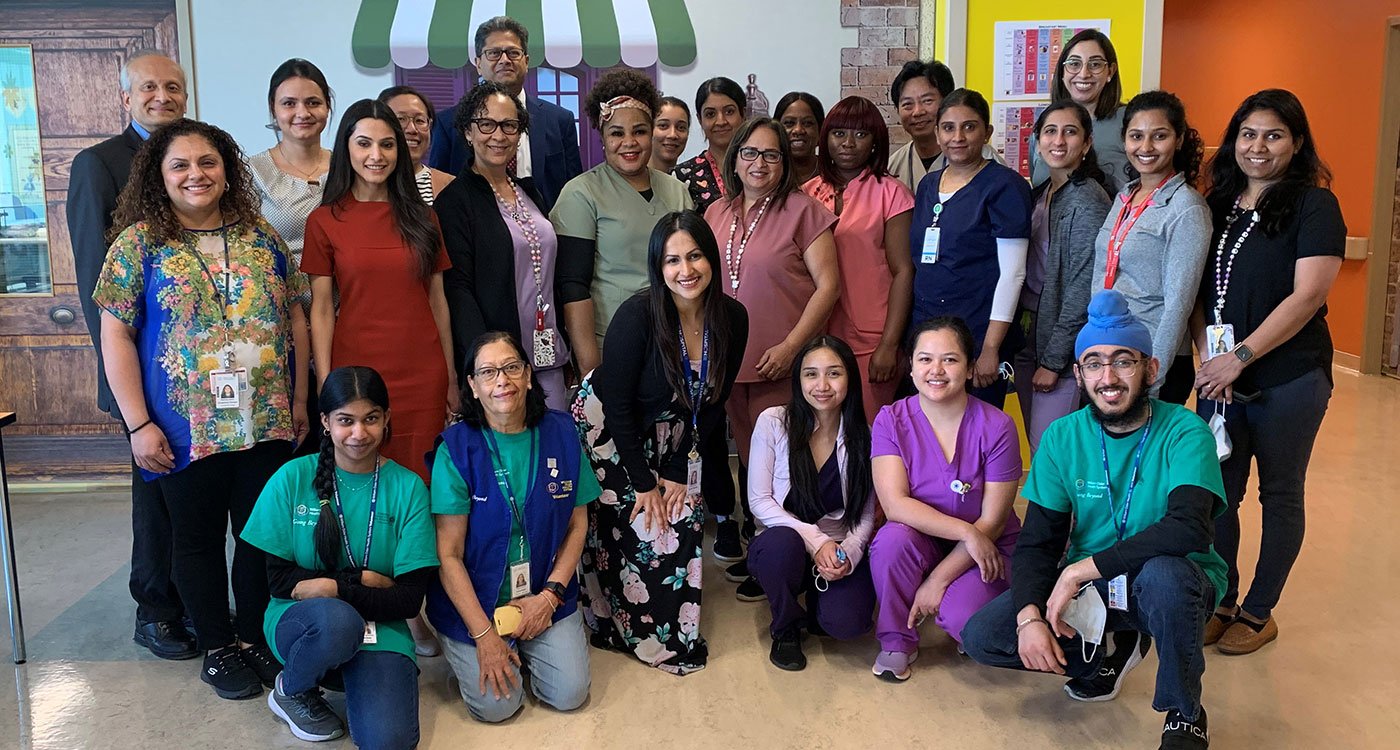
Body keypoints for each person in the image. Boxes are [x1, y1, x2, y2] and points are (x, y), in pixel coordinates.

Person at [94, 118, 309, 699]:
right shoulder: (137, 245)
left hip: (264, 419)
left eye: (208, 162)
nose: (196, 174)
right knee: (196, 538)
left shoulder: (260, 235)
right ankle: (217, 647)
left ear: (227, 169)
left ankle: (254, 638)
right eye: (180, 165)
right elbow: (115, 336)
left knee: (260, 537)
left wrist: (298, 396)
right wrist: (138, 423)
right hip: (182, 424)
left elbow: (294, 314)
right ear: (158, 176)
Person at [962, 289, 1226, 750]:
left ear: (1151, 368)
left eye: (1123, 360)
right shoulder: (1062, 437)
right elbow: (1039, 542)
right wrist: (1029, 618)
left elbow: (1189, 528)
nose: (1109, 377)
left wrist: (1081, 569)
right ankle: (1102, 653)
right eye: (1094, 363)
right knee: (985, 637)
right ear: (1080, 376)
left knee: (1165, 578)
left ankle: (1184, 713)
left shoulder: (1186, 431)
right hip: (1096, 590)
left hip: (1173, 580)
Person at [1191, 89, 1345, 656]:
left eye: (1273, 135)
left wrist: (1242, 356)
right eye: (1248, 134)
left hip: (1290, 378)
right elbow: (1201, 294)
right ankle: (1225, 598)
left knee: (1280, 494)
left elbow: (1308, 297)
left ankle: (1259, 610)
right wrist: (1212, 359)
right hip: (1220, 379)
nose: (1258, 147)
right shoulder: (1217, 204)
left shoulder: (1314, 206)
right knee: (1219, 494)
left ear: (1297, 143)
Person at [572, 212, 748, 674]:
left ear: (711, 258)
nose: (685, 270)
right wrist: (644, 480)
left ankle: (673, 630)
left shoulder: (732, 317)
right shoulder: (638, 316)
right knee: (637, 525)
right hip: (611, 432)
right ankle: (617, 622)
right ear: (657, 266)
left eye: (694, 256)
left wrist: (673, 468)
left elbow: (716, 400)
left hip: (676, 431)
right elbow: (619, 408)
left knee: (681, 514)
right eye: (672, 260)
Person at [66, 50, 192, 660]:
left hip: (193, 367)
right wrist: (126, 391)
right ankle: (155, 609)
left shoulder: (194, 160)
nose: (161, 96)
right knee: (156, 492)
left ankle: (191, 599)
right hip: (139, 370)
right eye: (148, 87)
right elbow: (97, 283)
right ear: (126, 97)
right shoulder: (98, 165)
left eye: (172, 86)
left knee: (191, 493)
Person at [242, 366, 437, 748]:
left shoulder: (409, 487)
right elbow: (278, 581)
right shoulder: (292, 478)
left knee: (389, 741)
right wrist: (360, 580)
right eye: (346, 421)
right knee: (336, 623)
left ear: (387, 420)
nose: (359, 433)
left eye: (371, 419)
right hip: (303, 623)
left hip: (380, 627)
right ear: (325, 422)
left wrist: (330, 586)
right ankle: (292, 689)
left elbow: (409, 598)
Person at [428, 332, 597, 722]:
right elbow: (448, 555)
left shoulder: (562, 433)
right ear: (472, 385)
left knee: (570, 694)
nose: (501, 381)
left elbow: (577, 524)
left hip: (542, 590)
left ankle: (526, 644)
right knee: (498, 708)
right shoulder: (456, 449)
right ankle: (476, 649)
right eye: (487, 372)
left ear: (527, 375)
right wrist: (485, 636)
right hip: (477, 601)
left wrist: (550, 597)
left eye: (511, 368)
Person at [706, 116, 839, 595]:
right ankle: (763, 549)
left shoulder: (805, 210)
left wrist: (791, 349)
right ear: (734, 158)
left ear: (784, 163)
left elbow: (829, 287)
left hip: (782, 361)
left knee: (787, 465)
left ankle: (785, 562)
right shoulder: (717, 212)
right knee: (750, 461)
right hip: (729, 363)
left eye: (771, 154)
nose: (759, 163)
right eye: (750, 153)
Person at [303, 99, 459, 485]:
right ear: (347, 148)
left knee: (422, 477)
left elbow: (438, 301)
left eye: (387, 145)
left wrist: (452, 376)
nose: (376, 155)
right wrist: (325, 382)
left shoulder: (424, 217)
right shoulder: (323, 221)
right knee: (361, 477)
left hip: (423, 371)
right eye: (364, 144)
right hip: (356, 371)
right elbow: (321, 310)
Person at [867, 317, 1022, 681]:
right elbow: (894, 505)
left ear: (969, 369)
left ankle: (959, 604)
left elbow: (992, 523)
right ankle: (896, 640)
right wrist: (966, 532)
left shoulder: (997, 426)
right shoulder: (891, 420)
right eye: (925, 359)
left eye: (950, 360)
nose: (936, 370)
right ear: (911, 366)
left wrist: (937, 580)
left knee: (965, 621)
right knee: (891, 541)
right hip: (929, 538)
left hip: (989, 544)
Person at [436, 81, 576, 410]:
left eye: (509, 125)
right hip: (500, 367)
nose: (498, 135)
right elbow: (458, 291)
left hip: (547, 353)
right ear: (468, 132)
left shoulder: (530, 192)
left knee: (553, 451)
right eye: (486, 124)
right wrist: (485, 363)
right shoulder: (455, 201)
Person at [551, 70, 693, 375]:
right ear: (602, 136)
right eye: (617, 133)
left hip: (674, 340)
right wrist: (590, 368)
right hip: (612, 343)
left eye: (639, 131)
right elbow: (573, 286)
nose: (629, 142)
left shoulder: (677, 191)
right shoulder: (581, 194)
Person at [747, 336, 876, 671]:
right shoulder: (774, 421)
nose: (822, 385)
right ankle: (786, 626)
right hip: (783, 542)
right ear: (798, 379)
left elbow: (865, 514)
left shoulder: (867, 436)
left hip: (837, 546)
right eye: (810, 374)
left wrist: (848, 553)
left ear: (850, 378)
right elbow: (759, 501)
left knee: (847, 625)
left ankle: (821, 594)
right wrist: (816, 542)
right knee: (780, 547)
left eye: (834, 373)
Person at [908, 88, 1032, 409]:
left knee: (975, 433)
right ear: (937, 133)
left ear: (987, 132)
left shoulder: (1004, 186)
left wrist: (990, 347)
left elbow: (1013, 274)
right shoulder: (927, 186)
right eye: (948, 128)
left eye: (969, 126)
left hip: (977, 334)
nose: (958, 137)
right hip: (928, 330)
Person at [1092, 91, 1211, 403]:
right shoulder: (1124, 197)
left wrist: (1152, 373)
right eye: (1136, 136)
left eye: (1159, 136)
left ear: (1179, 139)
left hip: (1153, 358)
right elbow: (1102, 270)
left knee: (1146, 453)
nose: (1145, 147)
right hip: (1111, 350)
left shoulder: (1186, 207)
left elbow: (1179, 303)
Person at [802, 95, 915, 423]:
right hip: (815, 333)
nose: (848, 143)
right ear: (825, 139)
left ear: (876, 143)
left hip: (872, 336)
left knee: (867, 433)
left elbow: (904, 271)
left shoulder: (891, 192)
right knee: (819, 431)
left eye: (860, 134)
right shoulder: (806, 193)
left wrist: (890, 345)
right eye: (838, 133)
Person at [1013, 101, 1113, 454]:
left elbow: (1083, 287)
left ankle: (1065, 514)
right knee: (1043, 448)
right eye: (1050, 132)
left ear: (1086, 144)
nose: (1059, 141)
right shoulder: (1043, 192)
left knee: (1052, 452)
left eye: (1070, 132)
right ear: (1037, 141)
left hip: (1060, 344)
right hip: (1030, 334)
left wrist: (1055, 360)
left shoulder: (1087, 201)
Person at [248, 58, 333, 459]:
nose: (302, 113)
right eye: (289, 103)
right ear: (273, 110)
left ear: (328, 106)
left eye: (313, 102)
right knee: (290, 444)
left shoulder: (349, 164)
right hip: (281, 320)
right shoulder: (252, 172)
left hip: (343, 311)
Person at [428, 16, 581, 211]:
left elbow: (573, 190)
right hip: (472, 234)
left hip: (545, 234)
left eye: (513, 53)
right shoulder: (448, 123)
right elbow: (439, 189)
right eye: (494, 53)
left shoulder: (560, 120)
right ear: (478, 63)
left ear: (526, 61)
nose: (504, 60)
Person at [1028, 30, 1132, 193]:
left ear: (1110, 71)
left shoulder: (1130, 121)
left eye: (1095, 64)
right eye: (1074, 64)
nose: (1084, 74)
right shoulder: (1045, 124)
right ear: (1062, 72)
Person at [887, 61, 1002, 194]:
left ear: (948, 103)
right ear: (897, 110)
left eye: (927, 101)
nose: (917, 111)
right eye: (907, 104)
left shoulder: (986, 160)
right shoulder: (892, 166)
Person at [674, 77, 745, 213]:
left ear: (743, 114)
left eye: (729, 111)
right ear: (700, 119)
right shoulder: (683, 176)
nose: (721, 121)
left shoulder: (758, 167)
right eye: (710, 114)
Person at [379, 85, 455, 203]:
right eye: (400, 119)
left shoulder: (451, 186)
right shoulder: (366, 186)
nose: (412, 129)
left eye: (419, 120)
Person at [775, 91, 825, 185]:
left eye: (807, 123)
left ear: (821, 130)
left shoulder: (834, 175)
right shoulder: (766, 175)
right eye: (789, 123)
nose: (798, 130)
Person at [650, 96, 691, 174]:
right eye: (663, 126)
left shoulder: (690, 182)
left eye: (681, 127)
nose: (672, 135)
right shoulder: (629, 181)